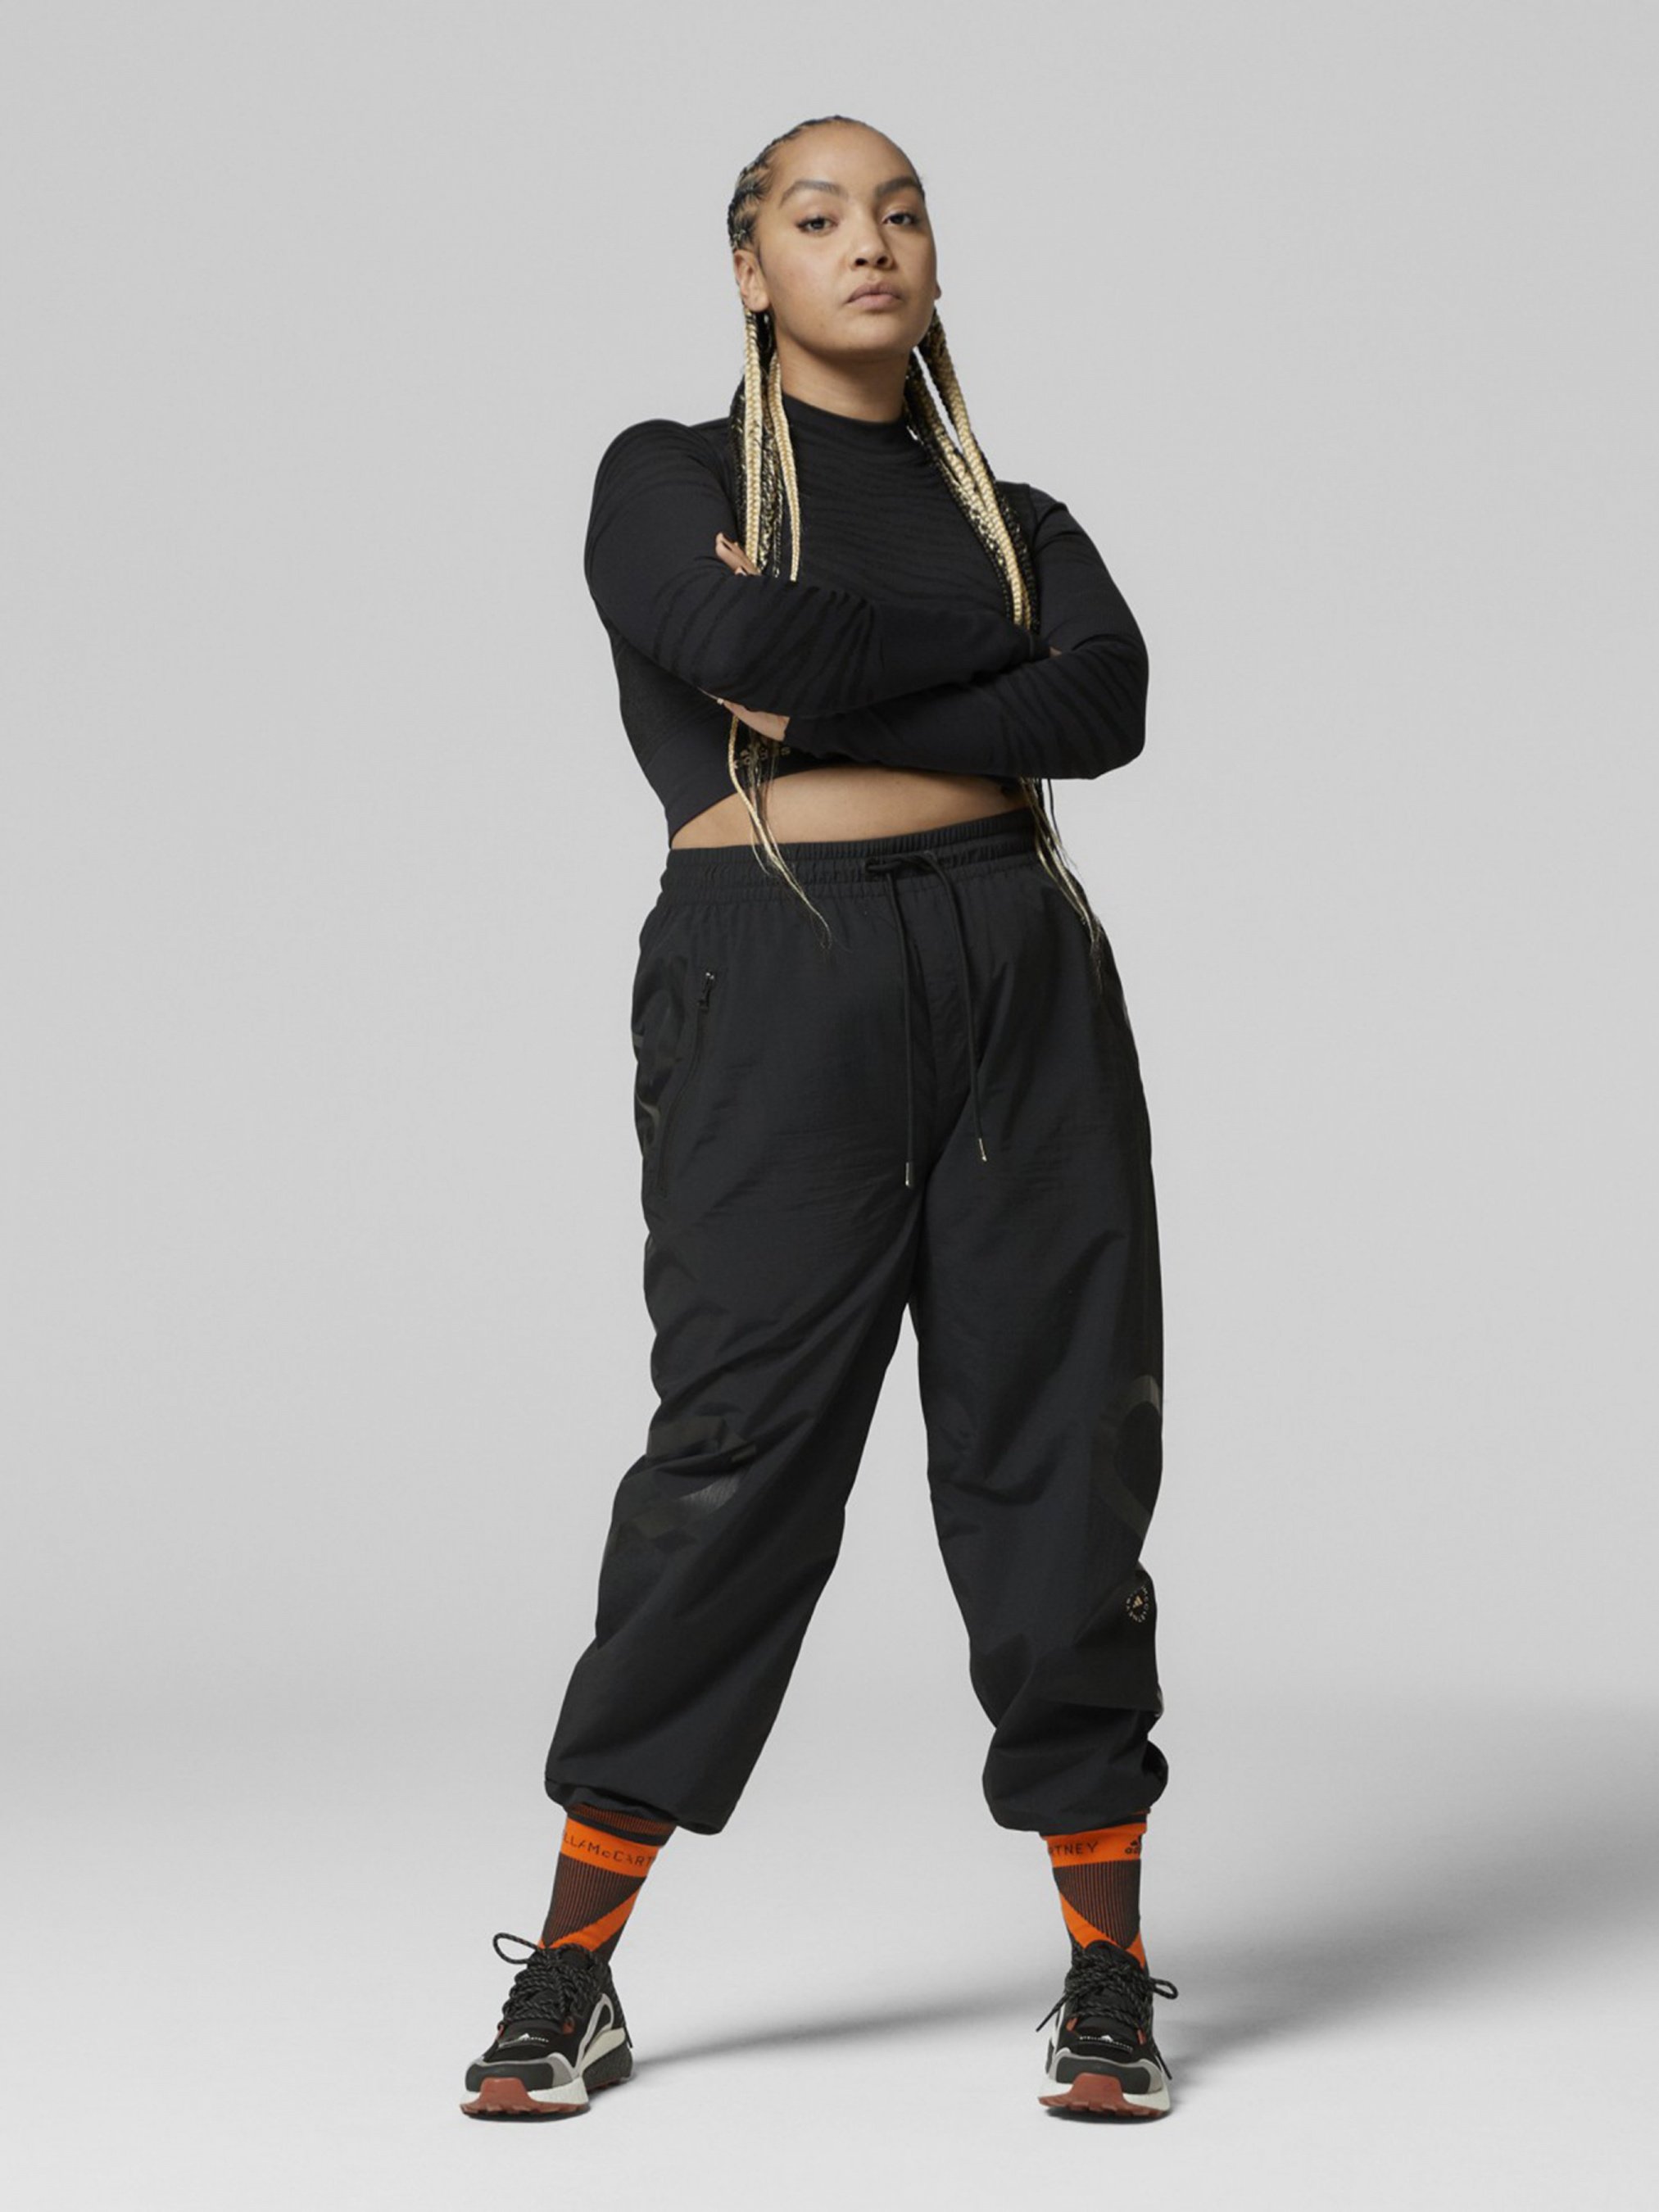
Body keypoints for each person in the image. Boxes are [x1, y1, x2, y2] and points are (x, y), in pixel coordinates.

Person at [460, 112, 1176, 2124]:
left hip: (1016, 964)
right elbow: (730, 645)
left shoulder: (1014, 512)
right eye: (816, 214)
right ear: (749, 267)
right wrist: (985, 660)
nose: (868, 241)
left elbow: (1105, 706)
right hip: (774, 967)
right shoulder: (666, 480)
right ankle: (574, 1969)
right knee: (735, 1455)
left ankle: (1106, 1963)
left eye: (900, 211)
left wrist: (839, 678)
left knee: (1058, 1439)